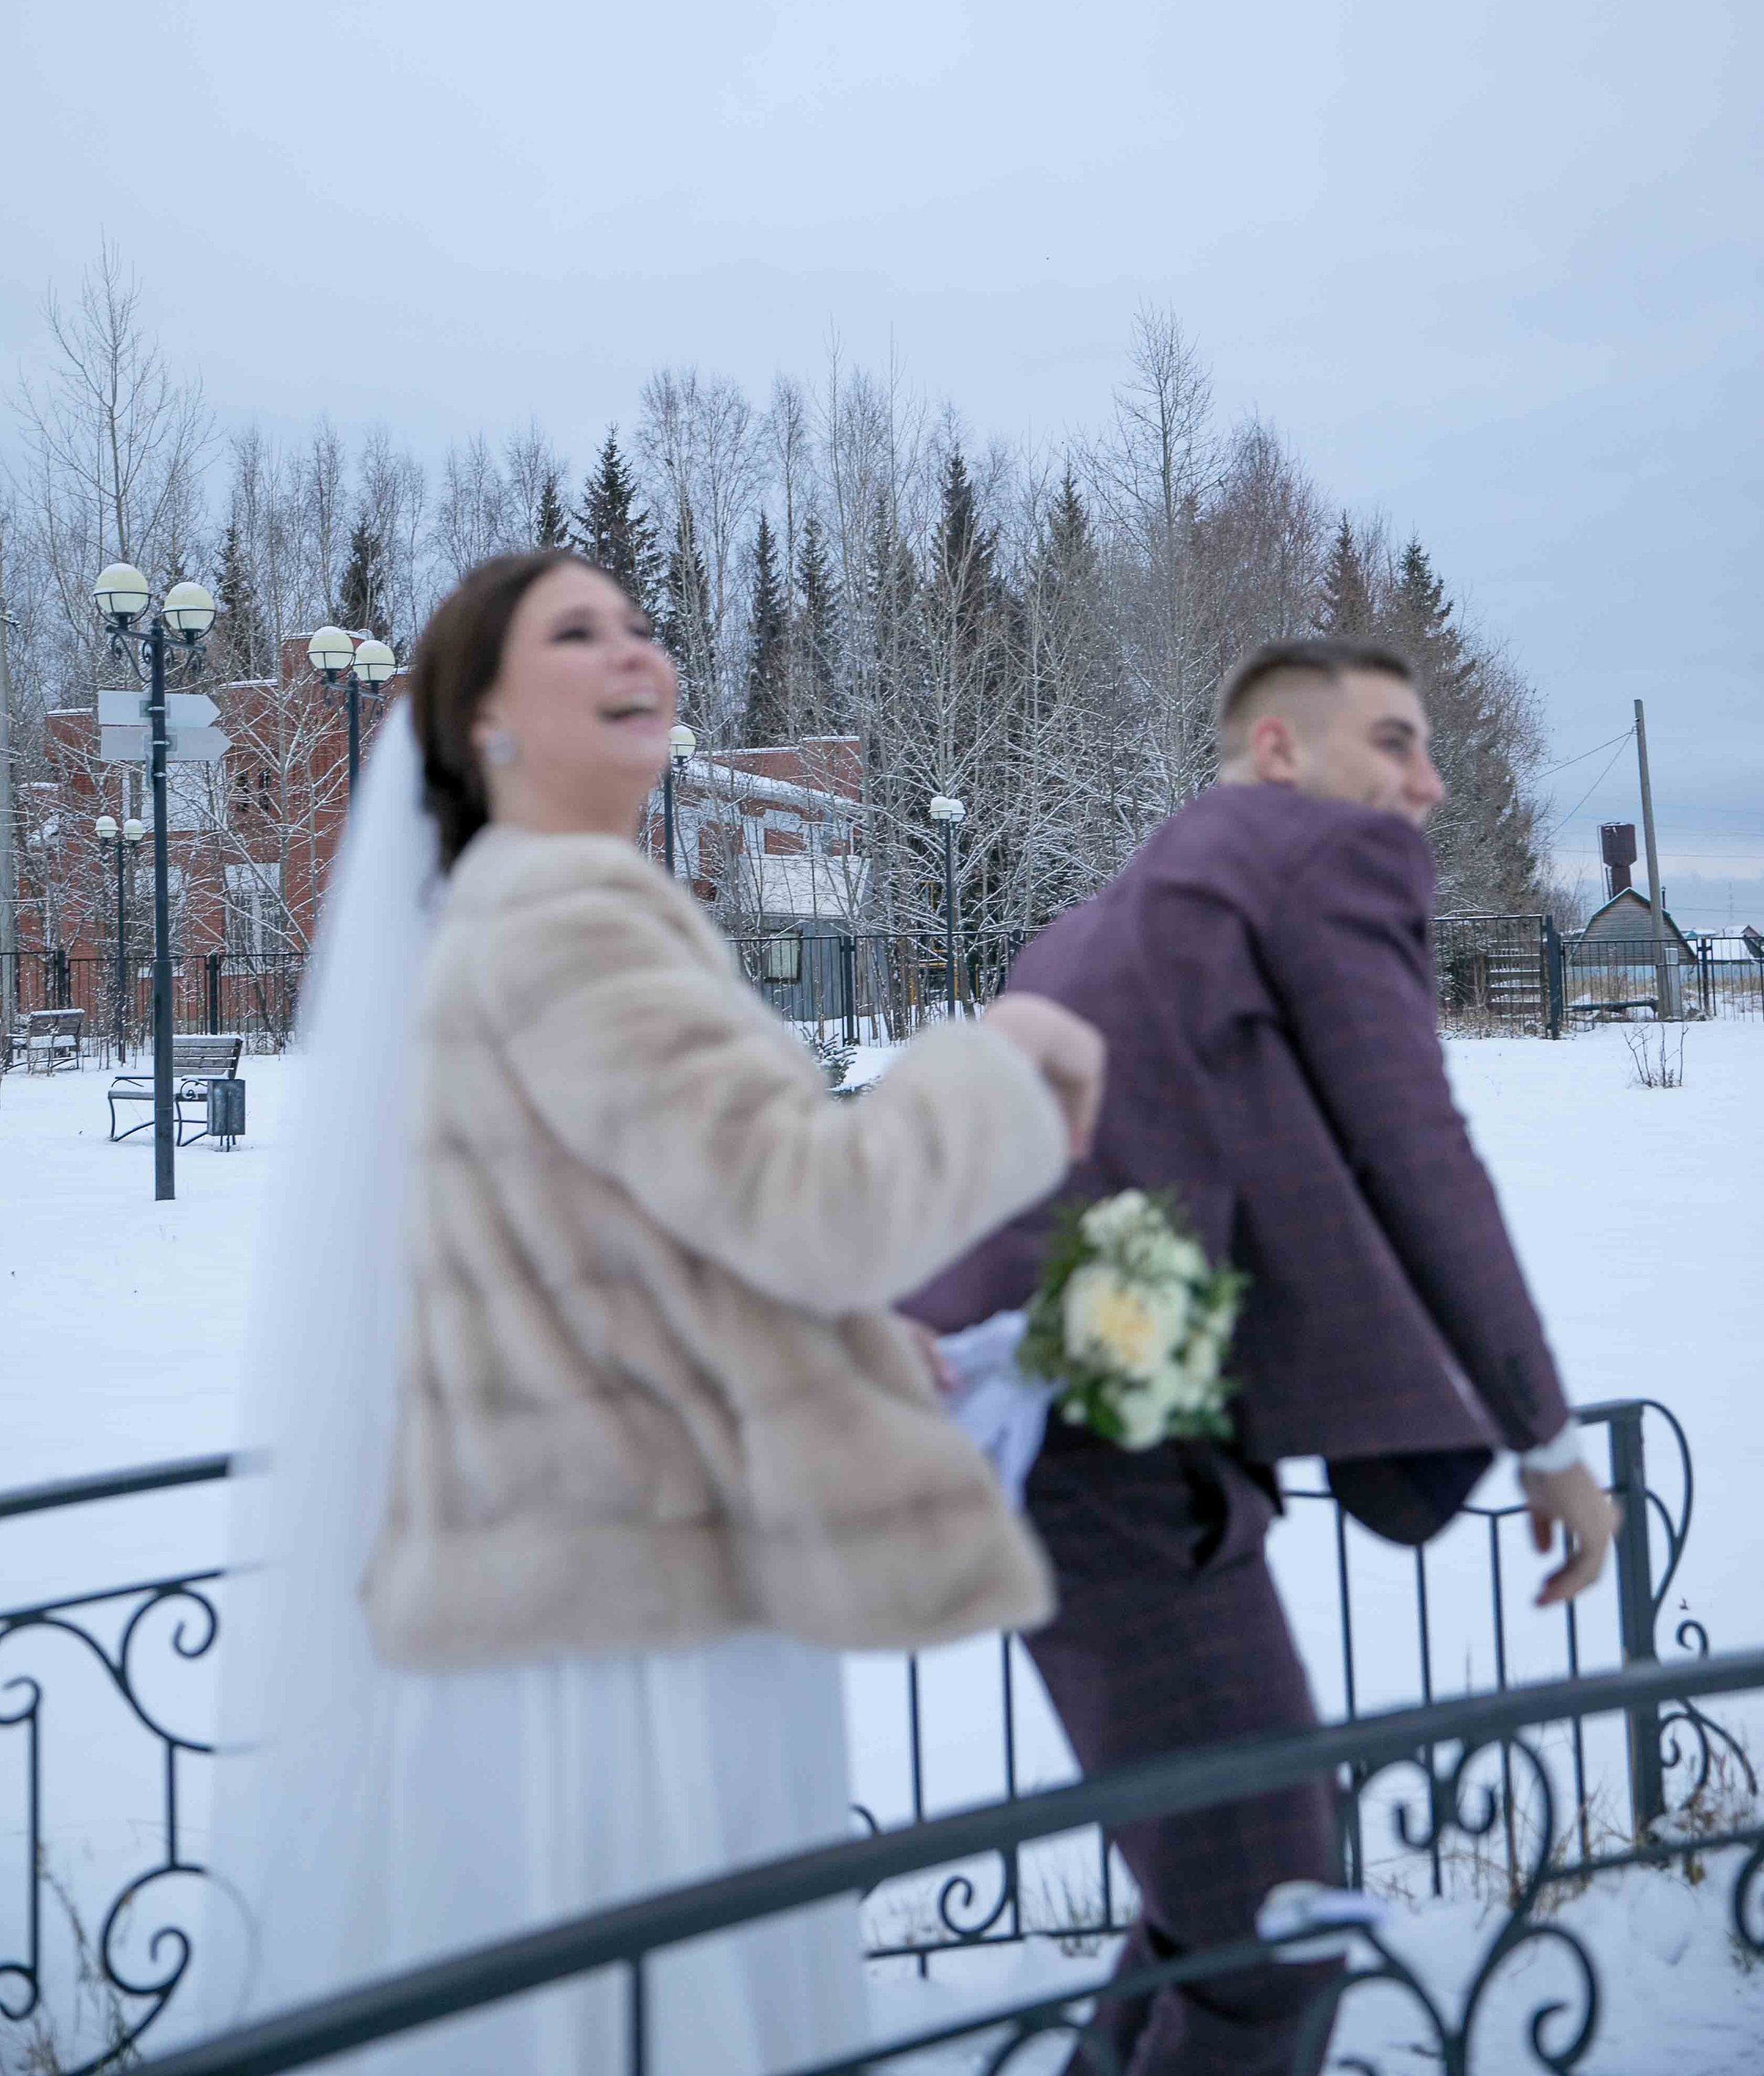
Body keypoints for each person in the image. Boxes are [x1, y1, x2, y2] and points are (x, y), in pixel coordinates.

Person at [205, 549, 1103, 2074]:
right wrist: (1005, 1050)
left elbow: (635, 1240)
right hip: (626, 1632)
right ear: (477, 720)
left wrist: (843, 1351)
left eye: (638, 623)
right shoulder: (567, 918)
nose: (636, 652)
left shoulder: (521, 912)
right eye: (575, 633)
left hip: (579, 1588)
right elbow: (809, 1204)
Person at [903, 635, 1616, 2076]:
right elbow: (1413, 1146)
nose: (1424, 785)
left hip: (1025, 1430)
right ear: (1278, 751)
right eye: (1393, 743)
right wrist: (1542, 1437)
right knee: (1270, 1914)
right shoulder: (1313, 859)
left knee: (1209, 1902)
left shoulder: (1111, 912)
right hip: (1098, 1447)